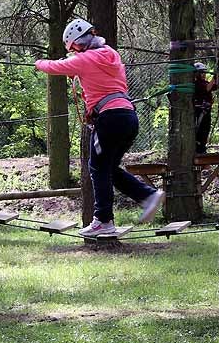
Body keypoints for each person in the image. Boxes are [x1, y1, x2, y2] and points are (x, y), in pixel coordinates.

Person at [34, 18, 165, 238]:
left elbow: (55, 67)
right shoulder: (112, 54)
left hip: (110, 119)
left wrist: (38, 63)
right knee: (109, 168)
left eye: (74, 47)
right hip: (128, 117)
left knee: (96, 167)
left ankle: (103, 220)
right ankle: (147, 196)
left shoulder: (84, 60)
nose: (74, 52)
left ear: (80, 43)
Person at [192, 62, 217, 154]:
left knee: (206, 130)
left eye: (204, 72)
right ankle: (199, 149)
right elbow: (207, 88)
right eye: (201, 73)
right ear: (196, 74)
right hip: (200, 111)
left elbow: (214, 86)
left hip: (206, 111)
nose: (204, 74)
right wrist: (214, 78)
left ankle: (202, 148)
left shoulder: (204, 82)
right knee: (200, 130)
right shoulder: (196, 84)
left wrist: (217, 78)